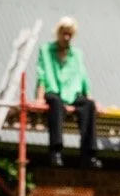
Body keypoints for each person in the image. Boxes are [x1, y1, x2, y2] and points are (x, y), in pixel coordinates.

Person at [36, 17, 100, 169]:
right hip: (54, 92)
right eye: (64, 34)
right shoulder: (46, 50)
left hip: (72, 93)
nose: (66, 38)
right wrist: (39, 98)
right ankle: (56, 152)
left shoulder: (77, 54)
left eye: (69, 35)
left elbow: (83, 76)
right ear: (58, 33)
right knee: (56, 104)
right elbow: (42, 74)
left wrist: (91, 98)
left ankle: (89, 155)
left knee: (89, 105)